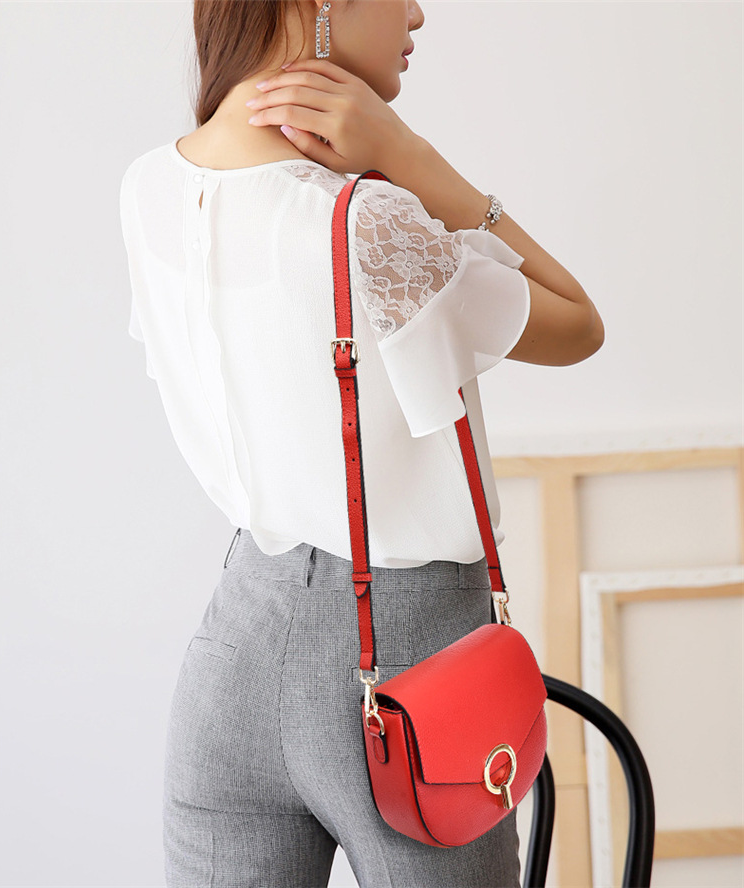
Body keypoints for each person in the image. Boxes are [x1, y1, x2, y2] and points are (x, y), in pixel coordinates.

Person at [119, 1, 605, 885]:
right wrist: (415, 160)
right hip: (414, 664)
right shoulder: (367, 219)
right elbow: (577, 324)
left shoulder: (151, 184)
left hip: (234, 654)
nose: (417, 12)